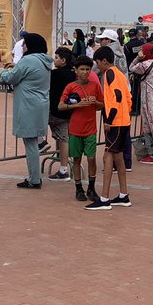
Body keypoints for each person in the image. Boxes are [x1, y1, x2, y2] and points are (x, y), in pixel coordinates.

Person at [0, 33, 52, 188]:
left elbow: (10, 78)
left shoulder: (28, 60)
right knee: (33, 142)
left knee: (30, 144)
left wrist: (1, 70)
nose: (22, 47)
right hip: (40, 104)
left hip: (28, 105)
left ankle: (34, 179)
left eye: (24, 44)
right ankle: (34, 177)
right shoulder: (44, 60)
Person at [85, 47, 132, 210]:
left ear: (104, 61)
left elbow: (117, 96)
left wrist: (109, 119)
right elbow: (127, 98)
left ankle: (104, 198)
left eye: (98, 63)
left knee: (108, 156)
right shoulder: (119, 74)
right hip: (123, 120)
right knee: (118, 157)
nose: (98, 66)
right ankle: (123, 195)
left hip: (116, 121)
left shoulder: (110, 73)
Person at [58, 55, 102, 201]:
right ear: (75, 70)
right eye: (82, 69)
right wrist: (76, 105)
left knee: (91, 158)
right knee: (76, 159)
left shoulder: (95, 86)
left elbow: (103, 105)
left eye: (87, 69)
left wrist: (95, 102)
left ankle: (91, 187)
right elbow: (61, 106)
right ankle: (78, 188)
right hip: (75, 129)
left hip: (91, 129)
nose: (84, 72)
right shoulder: (71, 87)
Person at [130, 42, 153, 164]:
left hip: (149, 100)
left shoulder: (144, 64)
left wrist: (137, 58)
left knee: (149, 125)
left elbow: (131, 67)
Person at [46, 47, 75, 181]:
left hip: (54, 112)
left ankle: (41, 142)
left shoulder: (55, 74)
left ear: (63, 60)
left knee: (35, 118)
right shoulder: (73, 73)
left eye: (56, 57)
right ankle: (64, 170)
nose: (54, 60)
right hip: (68, 112)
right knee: (64, 139)